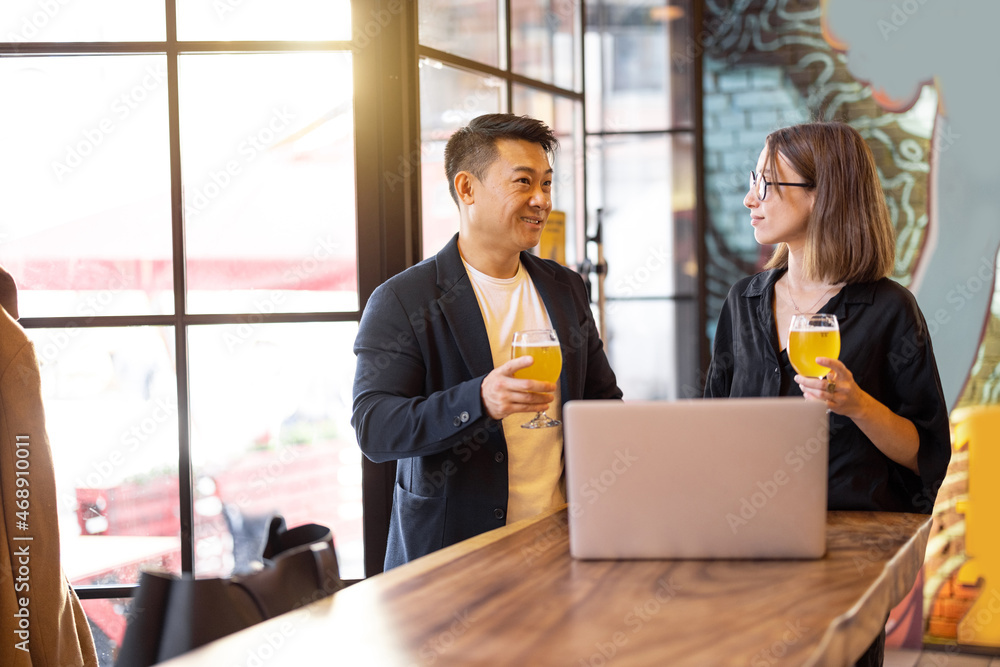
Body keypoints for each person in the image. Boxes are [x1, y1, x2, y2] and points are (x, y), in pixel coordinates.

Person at [704, 122, 951, 666]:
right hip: (752, 543)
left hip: (849, 552)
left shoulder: (889, 308)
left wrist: (855, 403)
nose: (751, 198)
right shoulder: (743, 301)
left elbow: (924, 450)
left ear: (823, 195)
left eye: (767, 184)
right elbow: (711, 426)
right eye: (754, 181)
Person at [352, 113, 623, 571]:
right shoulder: (404, 298)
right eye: (523, 182)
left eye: (547, 184)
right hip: (452, 561)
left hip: (562, 546)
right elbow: (375, 427)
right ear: (467, 188)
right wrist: (478, 399)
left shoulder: (565, 288)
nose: (541, 200)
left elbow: (602, 401)